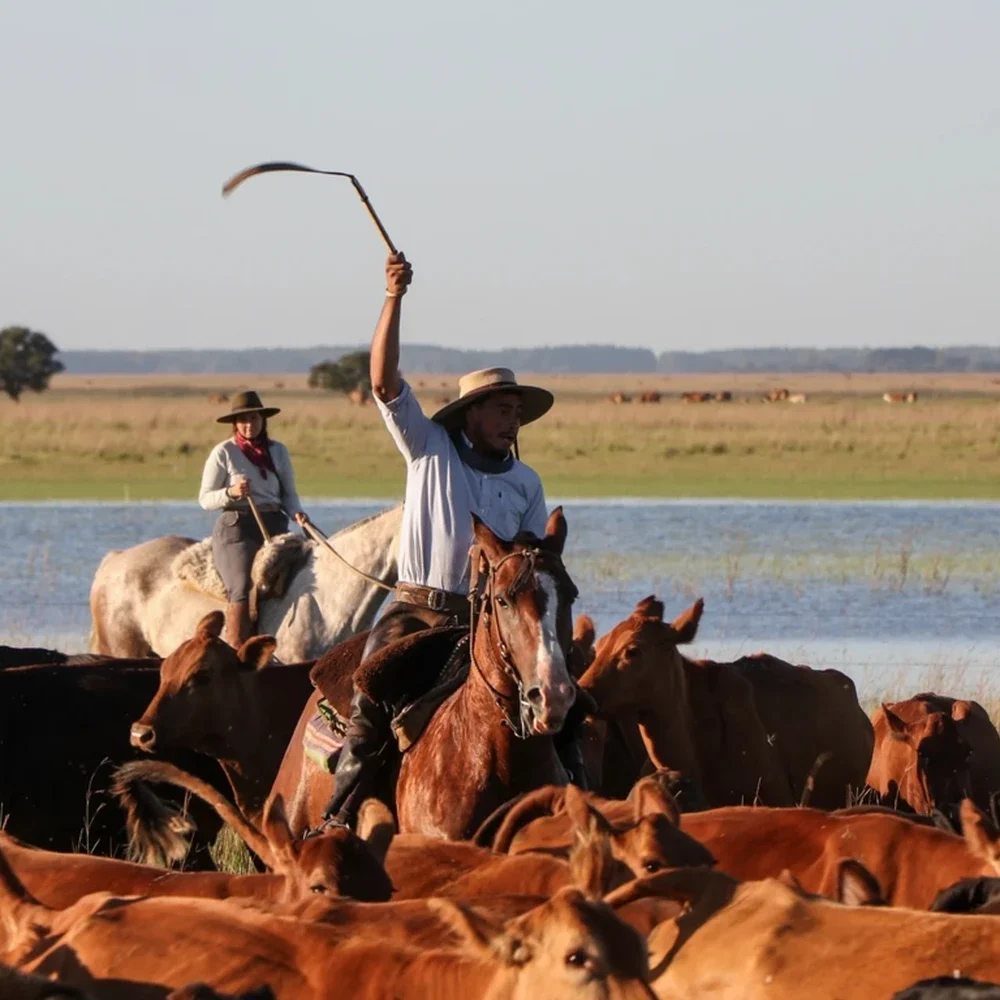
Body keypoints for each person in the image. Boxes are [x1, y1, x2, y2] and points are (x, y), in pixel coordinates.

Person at [324, 253, 586, 827]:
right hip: (420, 611)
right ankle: (339, 814)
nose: (512, 420)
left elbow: (533, 560)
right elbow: (382, 382)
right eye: (500, 409)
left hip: (493, 619)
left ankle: (583, 800)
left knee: (570, 692)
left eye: (516, 411)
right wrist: (393, 297)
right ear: (470, 415)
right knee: (371, 693)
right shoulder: (429, 450)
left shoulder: (526, 482)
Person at [199, 390, 309, 648]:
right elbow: (205, 499)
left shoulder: (278, 451)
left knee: (306, 575)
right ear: (235, 424)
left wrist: (298, 513)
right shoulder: (223, 452)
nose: (250, 425)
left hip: (276, 524)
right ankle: (238, 649)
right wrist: (230, 492)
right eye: (244, 420)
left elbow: (289, 494)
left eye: (255, 418)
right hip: (238, 527)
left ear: (263, 420)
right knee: (241, 585)